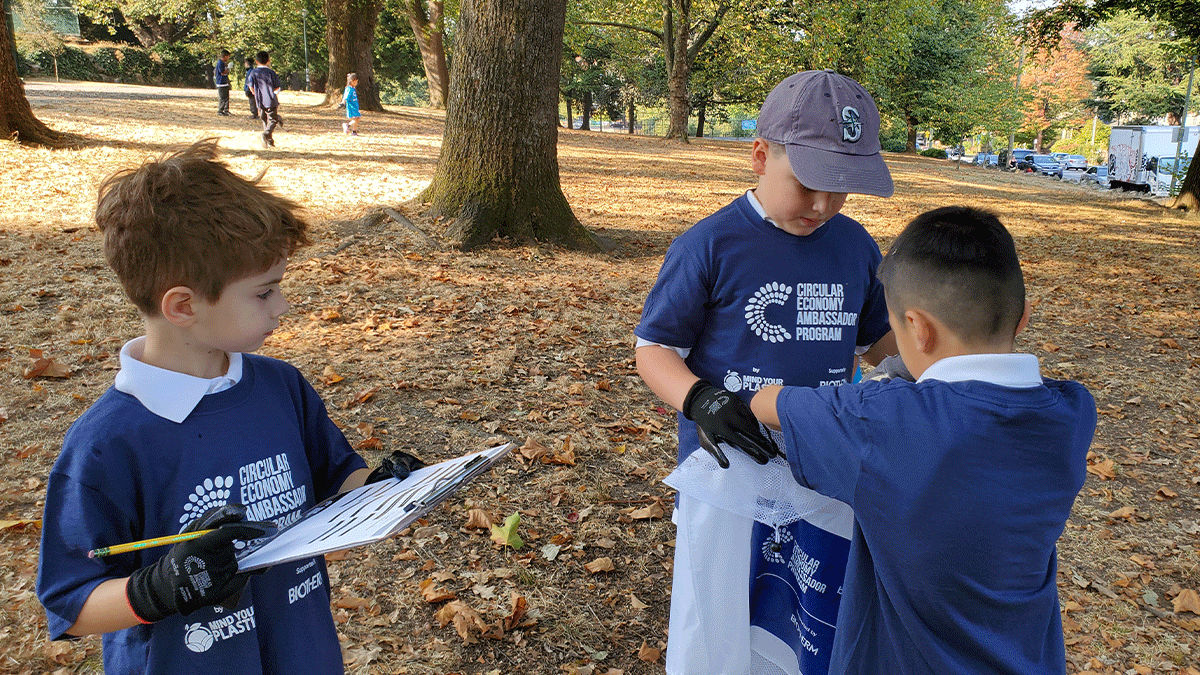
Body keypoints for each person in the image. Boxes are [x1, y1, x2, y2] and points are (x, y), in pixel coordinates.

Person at [36, 139, 420, 674]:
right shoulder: (108, 442)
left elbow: (340, 480)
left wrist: (383, 491)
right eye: (264, 293)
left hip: (301, 650)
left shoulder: (280, 386)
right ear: (184, 306)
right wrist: (156, 590)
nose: (282, 307)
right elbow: (70, 604)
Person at [749, 206, 1097, 674]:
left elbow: (767, 402)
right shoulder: (1073, 412)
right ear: (1023, 318)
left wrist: (888, 383)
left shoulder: (882, 420)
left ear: (917, 327)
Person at [634, 69, 897, 675]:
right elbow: (654, 349)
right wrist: (698, 398)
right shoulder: (711, 245)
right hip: (727, 469)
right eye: (808, 184)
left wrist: (929, 384)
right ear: (760, 156)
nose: (824, 205)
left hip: (822, 468)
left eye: (842, 189)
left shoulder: (854, 246)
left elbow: (880, 343)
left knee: (808, 617)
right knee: (723, 609)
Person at [247, 51, 282, 149]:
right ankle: (266, 134)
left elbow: (250, 86)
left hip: (259, 100)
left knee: (265, 120)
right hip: (270, 100)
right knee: (273, 119)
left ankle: (269, 141)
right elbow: (277, 87)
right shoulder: (271, 73)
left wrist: (255, 93)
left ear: (256, 61)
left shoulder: (253, 72)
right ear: (268, 61)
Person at [214, 50, 232, 116]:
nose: (228, 58)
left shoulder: (223, 63)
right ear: (225, 56)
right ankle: (220, 110)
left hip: (224, 82)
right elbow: (222, 72)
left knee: (226, 97)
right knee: (222, 97)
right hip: (221, 83)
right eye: (228, 56)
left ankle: (226, 110)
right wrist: (228, 68)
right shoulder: (220, 63)